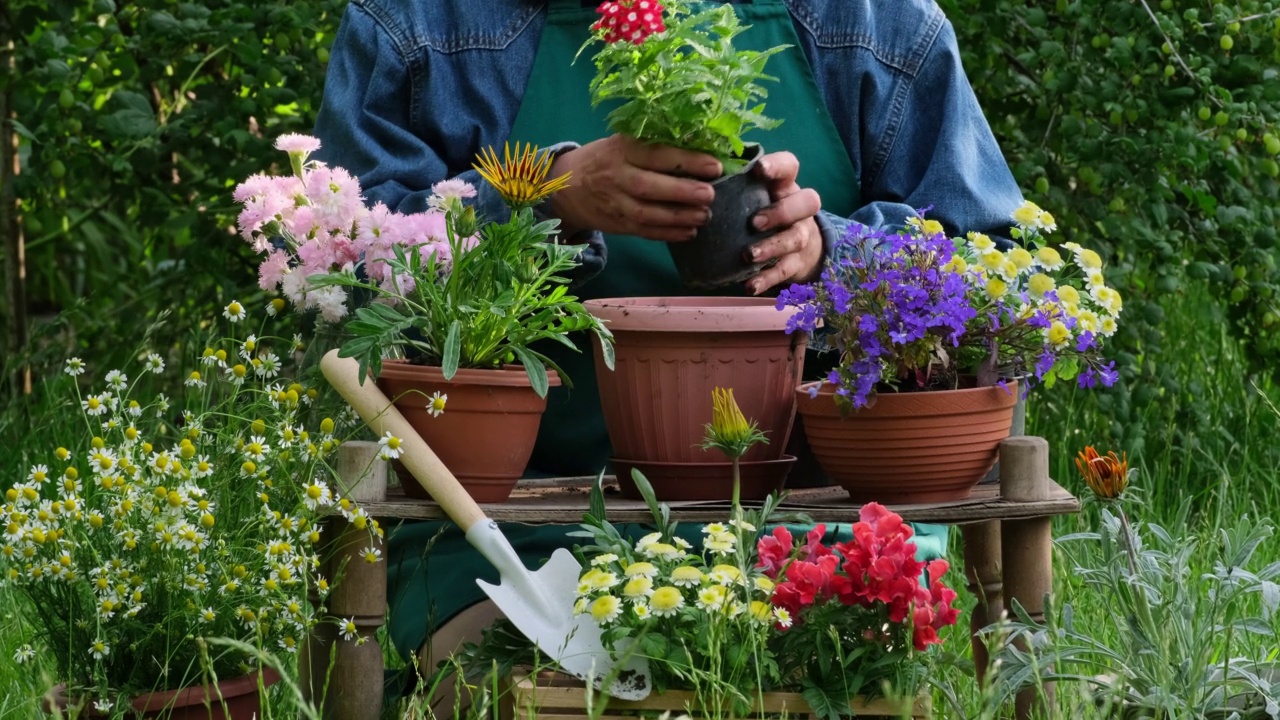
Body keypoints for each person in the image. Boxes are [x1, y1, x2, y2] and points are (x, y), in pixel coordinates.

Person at [313, 0, 1024, 711]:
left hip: (819, 520)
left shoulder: (878, 23)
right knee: (516, 694)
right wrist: (546, 196)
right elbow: (337, 258)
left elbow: (996, 271)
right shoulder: (420, 22)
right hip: (507, 530)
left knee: (831, 685)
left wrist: (828, 255)